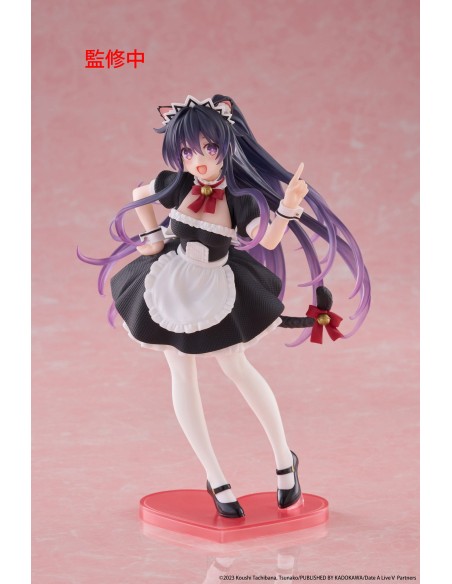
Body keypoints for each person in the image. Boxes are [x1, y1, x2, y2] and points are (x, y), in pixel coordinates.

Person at [78, 95, 370, 519]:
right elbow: (144, 202)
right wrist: (151, 234)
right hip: (172, 280)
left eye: (209, 148)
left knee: (236, 366)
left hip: (216, 284)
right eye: (186, 152)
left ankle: (284, 461)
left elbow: (265, 240)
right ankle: (215, 477)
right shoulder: (176, 184)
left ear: (227, 146)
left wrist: (288, 207)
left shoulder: (239, 199)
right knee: (181, 371)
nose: (198, 160)